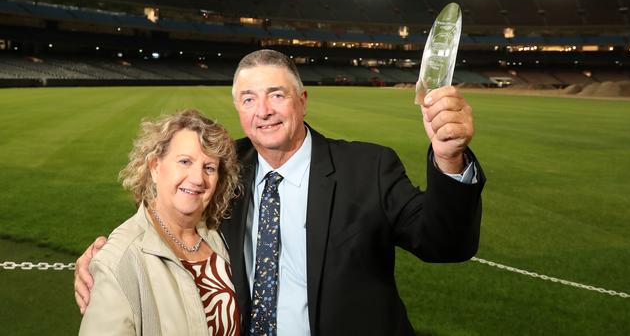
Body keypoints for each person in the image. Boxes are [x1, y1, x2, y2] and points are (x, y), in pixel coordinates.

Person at [76, 50, 485, 336]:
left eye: (277, 95)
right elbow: (166, 205)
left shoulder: (368, 168)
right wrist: (105, 258)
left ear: (302, 102)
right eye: (248, 99)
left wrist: (450, 159)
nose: (263, 111)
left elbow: (446, 243)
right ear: (238, 108)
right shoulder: (224, 166)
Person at [78, 109, 242, 335]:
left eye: (209, 168)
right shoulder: (119, 260)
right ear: (155, 167)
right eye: (185, 161)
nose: (197, 179)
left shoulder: (220, 237)